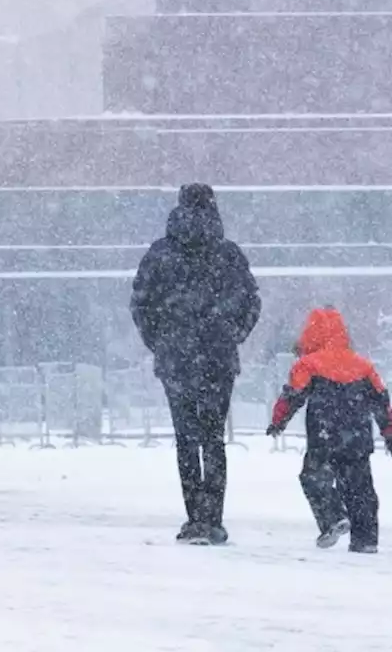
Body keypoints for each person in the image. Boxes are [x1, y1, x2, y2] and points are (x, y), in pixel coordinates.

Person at [131, 183, 262, 545]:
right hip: (218, 359)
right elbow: (252, 303)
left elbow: (140, 304)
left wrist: (160, 342)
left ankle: (193, 519)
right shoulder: (228, 254)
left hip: (176, 360)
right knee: (213, 439)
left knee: (186, 440)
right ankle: (213, 519)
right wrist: (232, 334)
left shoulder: (160, 254)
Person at [266, 307, 392, 553]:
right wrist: (390, 435)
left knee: (313, 477)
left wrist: (278, 421)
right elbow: (382, 402)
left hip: (324, 434)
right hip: (358, 437)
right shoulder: (363, 366)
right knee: (360, 487)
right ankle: (366, 538)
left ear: (311, 334)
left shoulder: (308, 365)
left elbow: (292, 396)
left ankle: (332, 517)